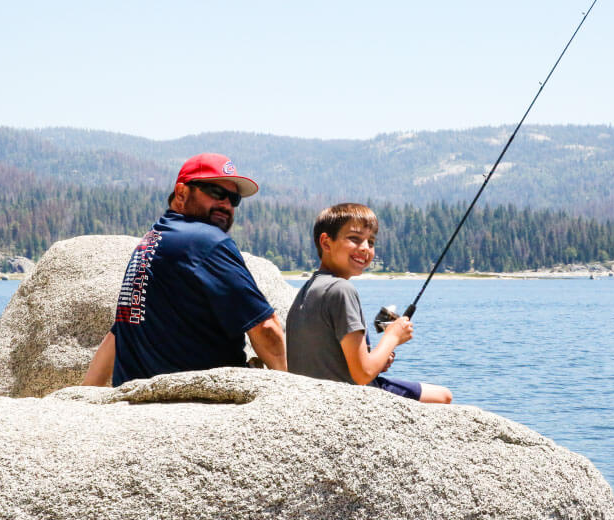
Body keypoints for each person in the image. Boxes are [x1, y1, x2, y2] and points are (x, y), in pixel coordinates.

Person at [82, 153, 286, 386]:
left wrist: (87, 394)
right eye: (216, 192)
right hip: (198, 403)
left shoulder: (150, 243)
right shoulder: (207, 241)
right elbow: (266, 328)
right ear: (181, 193)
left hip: (135, 403)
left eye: (234, 198)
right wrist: (286, 391)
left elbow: (121, 329)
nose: (226, 204)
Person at [286, 203, 452, 404]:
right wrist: (392, 337)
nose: (365, 248)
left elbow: (328, 360)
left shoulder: (308, 288)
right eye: (354, 239)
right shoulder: (342, 290)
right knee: (443, 396)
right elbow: (363, 374)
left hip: (315, 397)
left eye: (371, 242)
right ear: (326, 242)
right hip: (349, 398)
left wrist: (378, 358)